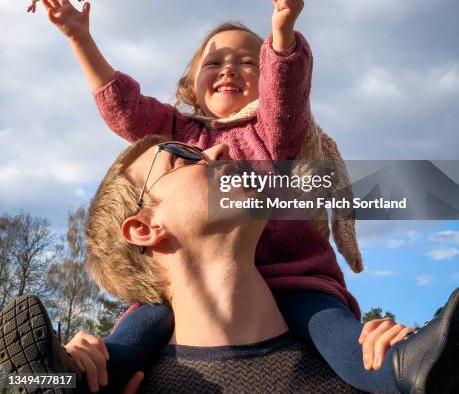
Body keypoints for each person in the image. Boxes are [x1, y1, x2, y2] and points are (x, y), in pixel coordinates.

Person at [40, 0, 367, 388]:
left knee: (348, 348)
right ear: (191, 84)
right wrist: (80, 38)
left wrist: (282, 41)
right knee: (134, 335)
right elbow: (125, 109)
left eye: (250, 62)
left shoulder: (272, 131)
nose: (229, 68)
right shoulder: (179, 132)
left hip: (295, 276)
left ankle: (414, 369)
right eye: (214, 63)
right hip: (195, 280)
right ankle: (66, 379)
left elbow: (287, 98)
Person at [3, 138, 457, 392]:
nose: (220, 151)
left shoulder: (367, 369)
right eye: (183, 157)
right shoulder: (124, 385)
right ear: (144, 228)